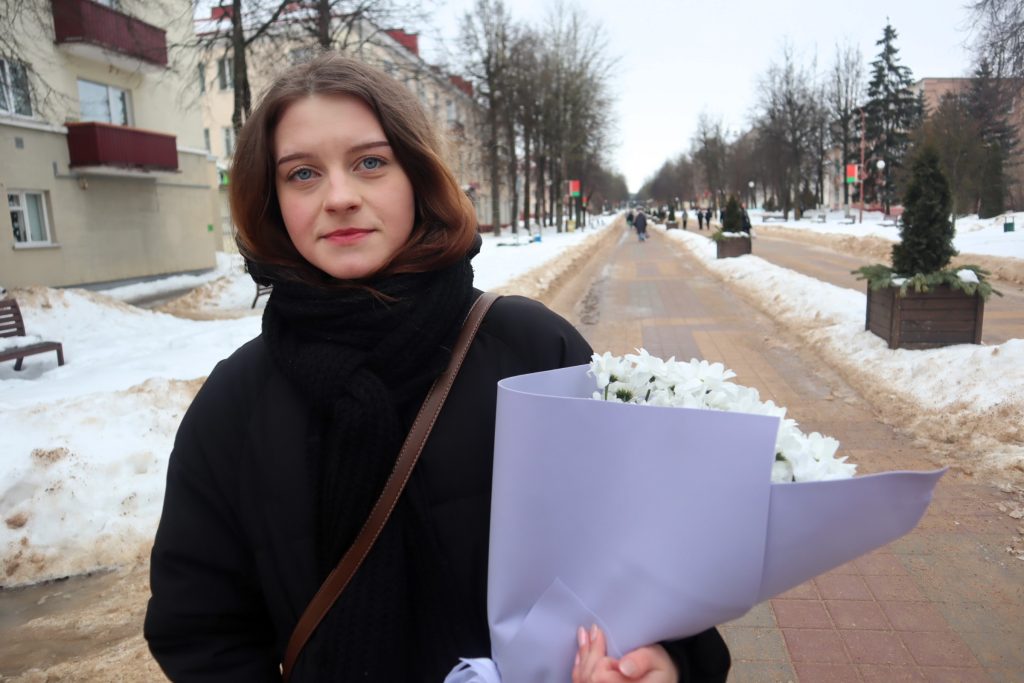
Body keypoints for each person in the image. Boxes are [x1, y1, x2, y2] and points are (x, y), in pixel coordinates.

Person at [143, 53, 729, 683]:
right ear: (272, 198)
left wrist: (662, 661)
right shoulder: (236, 404)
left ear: (417, 176)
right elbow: (201, 630)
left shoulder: (531, 351)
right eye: (302, 173)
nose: (339, 197)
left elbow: (643, 566)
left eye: (370, 162)